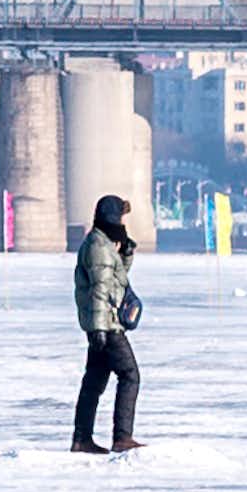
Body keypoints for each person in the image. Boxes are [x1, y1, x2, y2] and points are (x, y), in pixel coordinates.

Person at [72, 193, 141, 455]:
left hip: (102, 322)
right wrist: (99, 329)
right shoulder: (98, 246)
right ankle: (122, 437)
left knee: (94, 382)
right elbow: (100, 289)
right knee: (130, 375)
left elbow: (115, 278)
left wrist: (127, 253)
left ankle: (81, 439)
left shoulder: (102, 243)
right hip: (108, 325)